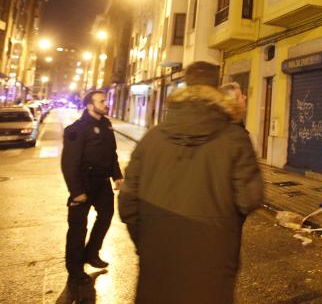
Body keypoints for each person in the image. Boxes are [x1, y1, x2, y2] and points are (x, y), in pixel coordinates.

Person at [119, 61, 263, 304]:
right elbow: (250, 198)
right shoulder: (235, 138)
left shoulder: (152, 138)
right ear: (216, 88)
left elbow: (127, 203)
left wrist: (146, 243)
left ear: (185, 87)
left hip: (157, 261)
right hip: (212, 263)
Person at [61, 90, 122, 289]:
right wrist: (76, 190)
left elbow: (111, 153)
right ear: (89, 106)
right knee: (78, 227)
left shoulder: (106, 125)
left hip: (102, 182)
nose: (106, 104)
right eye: (102, 101)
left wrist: (117, 175)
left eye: (105, 100)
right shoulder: (76, 129)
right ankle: (75, 269)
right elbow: (69, 163)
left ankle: (91, 253)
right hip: (83, 181)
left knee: (106, 215)